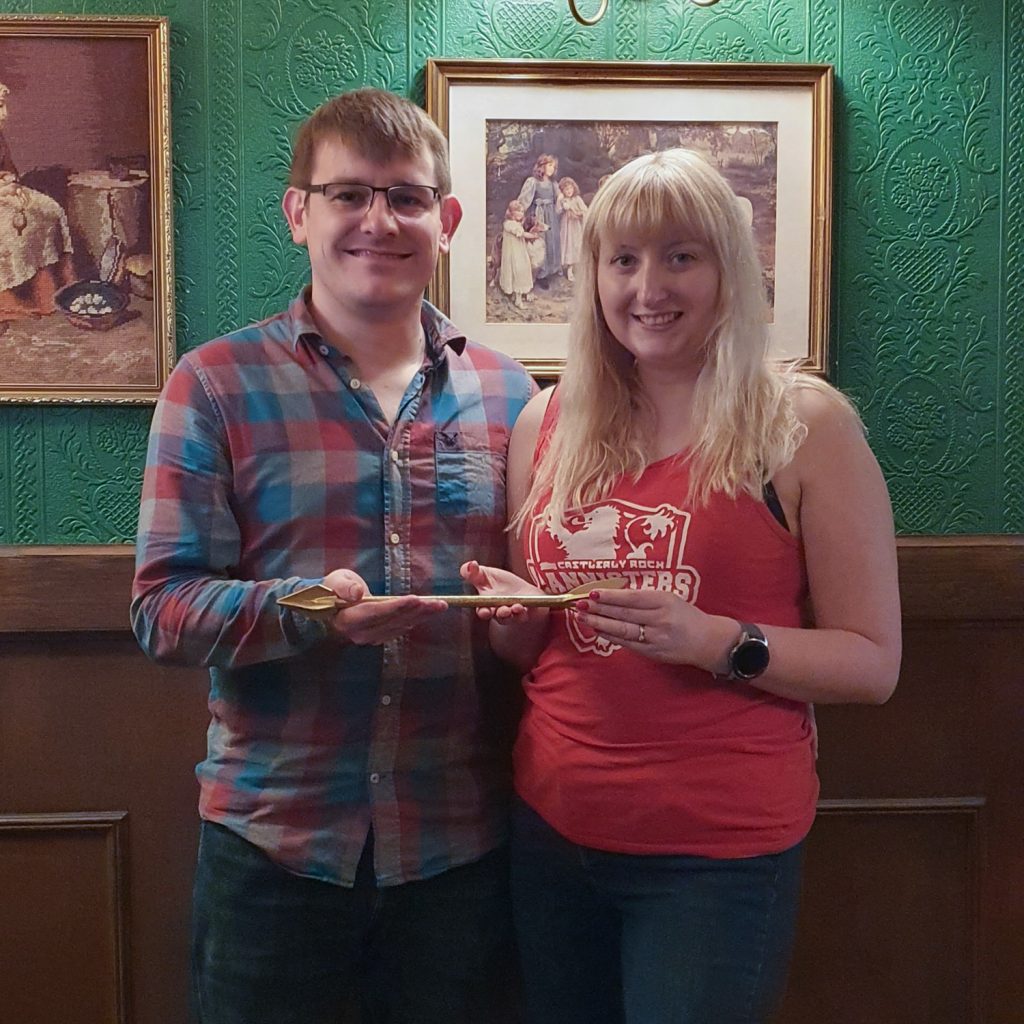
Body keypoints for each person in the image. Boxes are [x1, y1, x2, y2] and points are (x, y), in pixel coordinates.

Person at [461, 148, 901, 1024]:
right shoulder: (544, 421)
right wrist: (509, 619)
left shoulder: (803, 425)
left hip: (716, 854)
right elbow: (535, 649)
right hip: (550, 830)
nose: (647, 286)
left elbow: (872, 663)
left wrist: (713, 641)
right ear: (591, 275)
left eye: (680, 257)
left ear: (727, 271)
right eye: (622, 259)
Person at [131, 87, 536, 1024]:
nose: (377, 221)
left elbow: (532, 614)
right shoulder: (213, 385)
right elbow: (159, 611)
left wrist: (525, 617)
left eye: (403, 196)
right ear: (298, 213)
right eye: (348, 194)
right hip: (274, 855)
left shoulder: (513, 395)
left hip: (460, 856)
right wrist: (310, 612)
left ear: (447, 217)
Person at [0, 79, 75, 326]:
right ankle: (5, 297)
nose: (5, 113)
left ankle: (58, 278)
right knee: (8, 226)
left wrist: (10, 181)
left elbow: (10, 169)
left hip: (6, 193)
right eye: (0, 106)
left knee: (49, 209)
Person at [516, 153, 561, 289]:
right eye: (549, 165)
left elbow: (558, 199)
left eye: (553, 166)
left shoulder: (553, 183)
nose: (551, 169)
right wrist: (519, 213)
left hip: (551, 216)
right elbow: (523, 200)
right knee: (541, 241)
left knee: (552, 239)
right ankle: (541, 273)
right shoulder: (533, 182)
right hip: (539, 214)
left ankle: (552, 268)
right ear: (541, 166)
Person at [498, 199, 536, 308]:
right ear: (511, 212)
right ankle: (518, 299)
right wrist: (533, 236)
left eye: (522, 211)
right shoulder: (509, 224)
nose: (521, 213)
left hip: (519, 251)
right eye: (518, 211)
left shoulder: (517, 223)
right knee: (517, 272)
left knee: (523, 270)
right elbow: (522, 234)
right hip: (513, 254)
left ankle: (522, 294)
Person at [555, 176, 587, 282]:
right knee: (565, 244)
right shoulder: (562, 199)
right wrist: (561, 203)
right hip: (566, 226)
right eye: (566, 189)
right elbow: (557, 211)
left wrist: (578, 213)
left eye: (570, 189)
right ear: (562, 190)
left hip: (575, 226)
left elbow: (585, 210)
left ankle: (571, 268)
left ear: (574, 189)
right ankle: (562, 266)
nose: (569, 191)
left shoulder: (577, 199)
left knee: (574, 245)